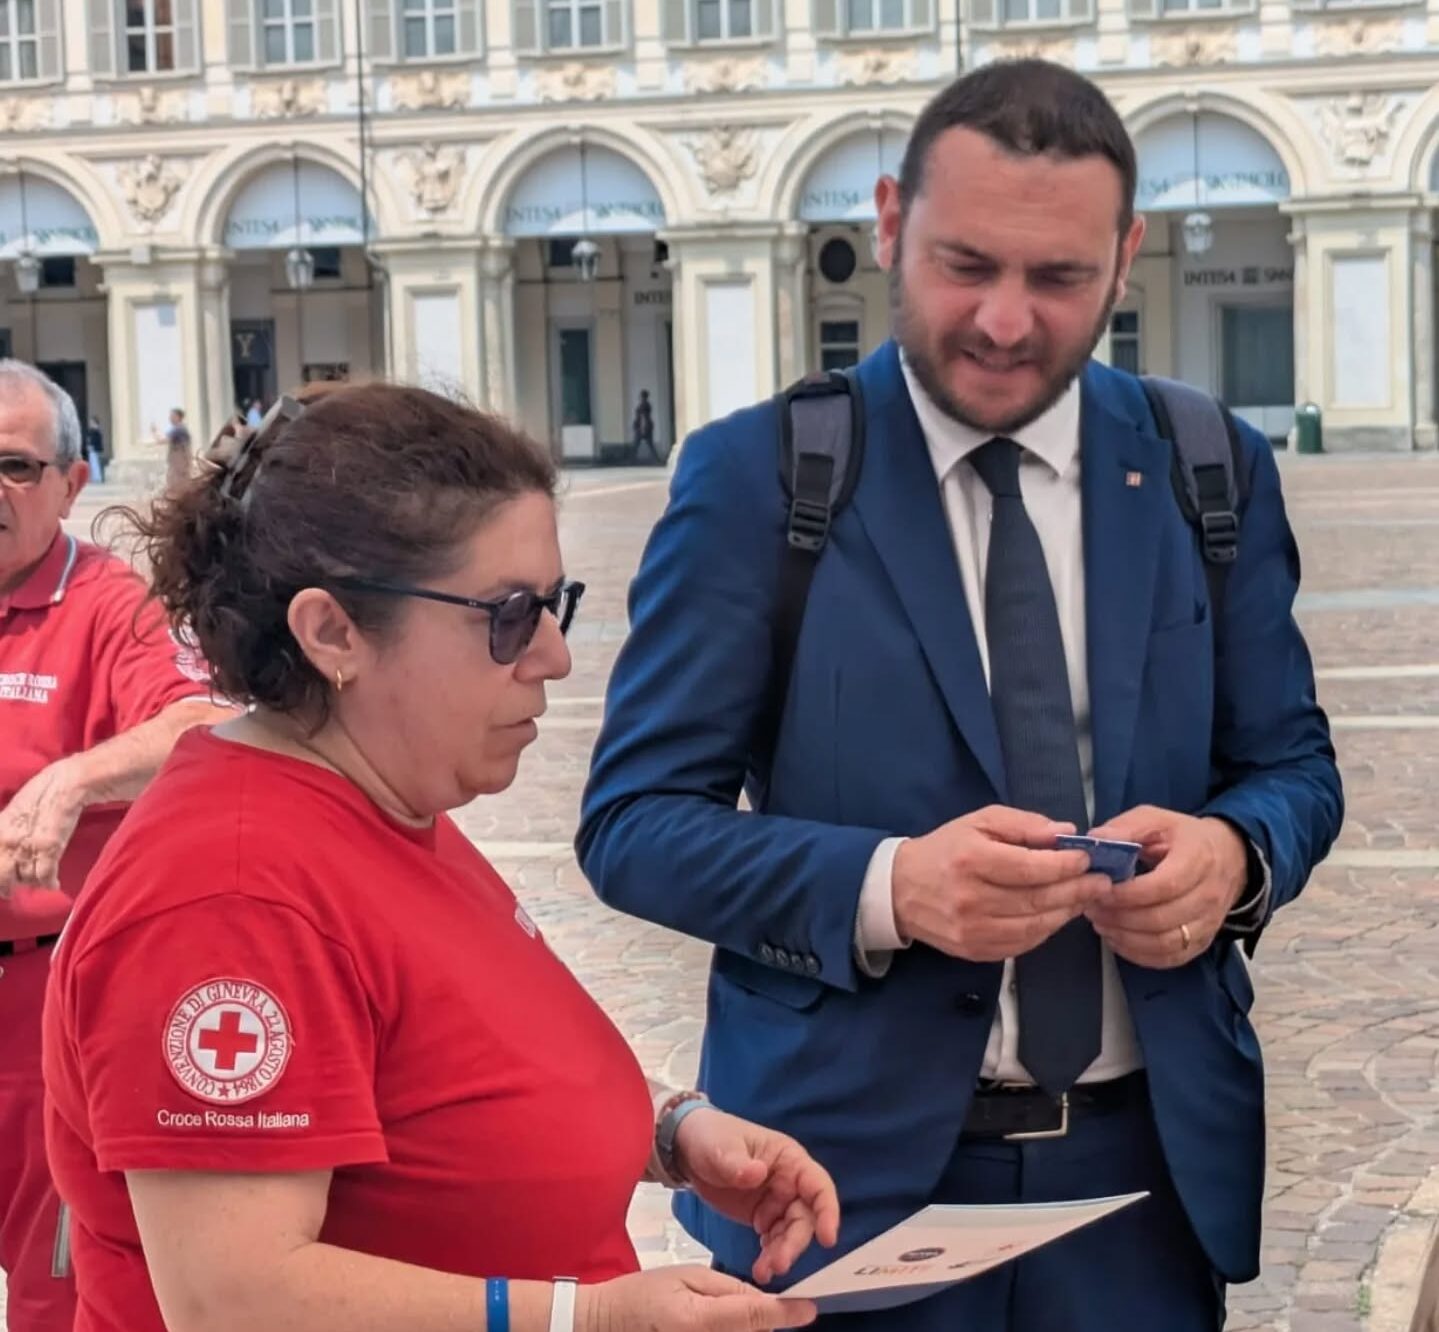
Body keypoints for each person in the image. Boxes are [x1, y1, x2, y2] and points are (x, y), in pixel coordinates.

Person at [578, 60, 1344, 1332]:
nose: (1002, 321)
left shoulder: (1207, 466)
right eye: (965, 265)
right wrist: (889, 887)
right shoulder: (758, 479)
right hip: (838, 1193)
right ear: (890, 223)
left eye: (1057, 278)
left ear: (1125, 257)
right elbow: (633, 824)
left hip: (1138, 1192)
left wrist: (1235, 856)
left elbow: (1292, 766)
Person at [42, 383, 839, 1332]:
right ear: (332, 633)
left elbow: (450, 1092)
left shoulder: (380, 800)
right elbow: (234, 1299)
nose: (553, 655)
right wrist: (590, 1318)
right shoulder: (230, 895)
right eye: (509, 614)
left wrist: (668, 1133)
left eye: (555, 604)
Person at [0, 359, 234, 1332]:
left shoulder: (107, 604)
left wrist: (73, 780)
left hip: (42, 1006)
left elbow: (205, 723)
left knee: (58, 1294)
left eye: (14, 466)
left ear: (71, 483)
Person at [156, 407, 191, 494]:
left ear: (178, 417)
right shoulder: (181, 428)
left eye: (172, 416)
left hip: (179, 463)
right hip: (179, 463)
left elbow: (162, 441)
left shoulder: (178, 429)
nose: (170, 418)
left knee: (176, 484)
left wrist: (154, 431)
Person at [632, 390, 660, 463]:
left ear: (642, 397)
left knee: (636, 444)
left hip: (642, 427)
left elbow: (643, 417)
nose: (640, 397)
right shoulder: (647, 405)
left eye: (641, 396)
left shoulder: (644, 405)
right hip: (646, 426)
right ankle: (656, 459)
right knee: (649, 444)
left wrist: (642, 428)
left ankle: (632, 459)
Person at [83, 415, 105, 483]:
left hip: (95, 450)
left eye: (92, 422)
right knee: (93, 464)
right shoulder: (92, 431)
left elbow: (96, 441)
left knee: (95, 464)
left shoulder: (97, 432)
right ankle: (94, 477)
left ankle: (97, 478)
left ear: (95, 423)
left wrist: (92, 446)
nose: (91, 424)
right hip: (92, 450)